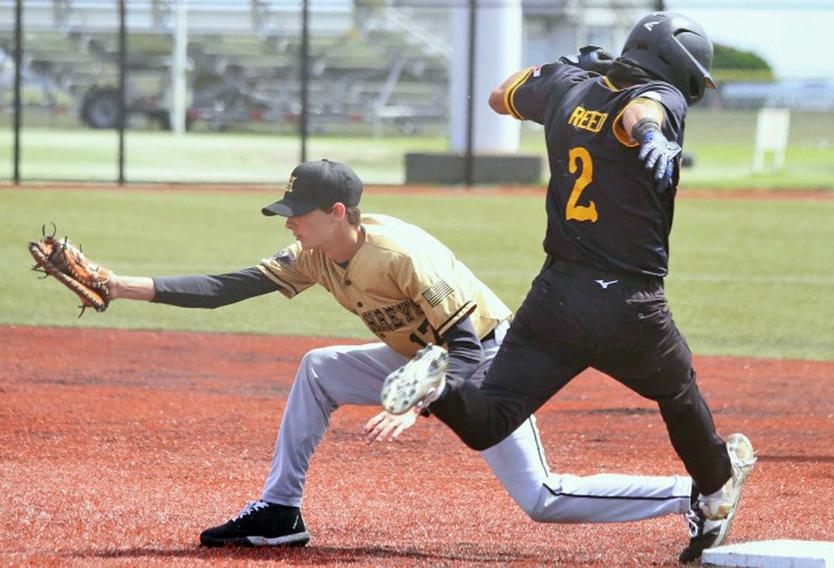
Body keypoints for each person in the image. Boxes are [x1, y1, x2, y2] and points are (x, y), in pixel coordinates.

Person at [103, 158, 704, 550]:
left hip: (487, 361)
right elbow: (227, 288)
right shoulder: (315, 255)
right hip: (419, 359)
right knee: (319, 368)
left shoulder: (403, 256)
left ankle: (696, 489)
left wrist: (416, 398)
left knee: (542, 499)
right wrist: (121, 286)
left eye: (298, 215)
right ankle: (280, 512)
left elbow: (465, 350)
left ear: (337, 213)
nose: (289, 226)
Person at [381, 13, 757, 564]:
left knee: (489, 420)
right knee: (677, 391)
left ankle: (439, 389)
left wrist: (566, 69)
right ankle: (717, 492)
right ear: (675, 64)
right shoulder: (661, 95)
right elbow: (639, 113)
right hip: (629, 305)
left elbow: (497, 95)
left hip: (554, 295)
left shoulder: (566, 85)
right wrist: (650, 134)